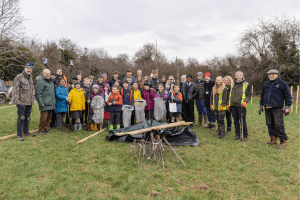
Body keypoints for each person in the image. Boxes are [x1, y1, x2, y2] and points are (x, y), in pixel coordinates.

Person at [260, 69, 292, 149]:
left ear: (277, 75)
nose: (271, 76)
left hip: (277, 108)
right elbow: (262, 95)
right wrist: (261, 105)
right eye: (270, 74)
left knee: (278, 124)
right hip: (267, 107)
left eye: (273, 74)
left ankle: (282, 141)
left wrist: (287, 106)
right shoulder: (266, 84)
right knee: (269, 123)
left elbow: (288, 96)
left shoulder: (282, 84)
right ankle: (273, 140)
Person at [12, 62, 36, 141]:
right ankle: (19, 135)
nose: (29, 70)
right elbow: (15, 89)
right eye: (28, 68)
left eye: (31, 68)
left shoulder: (30, 77)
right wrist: (16, 101)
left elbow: (31, 89)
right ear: (25, 68)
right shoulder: (19, 77)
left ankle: (26, 132)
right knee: (21, 118)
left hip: (29, 101)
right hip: (21, 101)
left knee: (27, 118)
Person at [228, 71, 252, 142]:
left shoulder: (246, 84)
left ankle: (244, 135)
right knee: (235, 121)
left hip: (241, 106)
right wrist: (228, 104)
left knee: (242, 121)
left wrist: (245, 101)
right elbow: (229, 95)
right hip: (233, 106)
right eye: (237, 75)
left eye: (240, 75)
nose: (239, 77)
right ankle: (237, 134)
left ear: (242, 76)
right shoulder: (232, 84)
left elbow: (249, 94)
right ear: (235, 76)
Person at [35, 69, 56, 135]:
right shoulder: (40, 82)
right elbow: (38, 93)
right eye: (46, 73)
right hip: (44, 103)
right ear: (43, 74)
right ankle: (41, 129)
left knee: (49, 117)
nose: (48, 75)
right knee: (43, 117)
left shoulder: (51, 82)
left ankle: (46, 128)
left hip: (51, 102)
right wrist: (40, 102)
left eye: (49, 73)